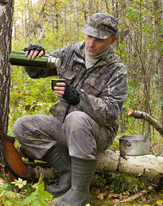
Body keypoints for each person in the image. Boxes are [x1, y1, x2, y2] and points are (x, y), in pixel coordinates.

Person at [14, 13, 128, 206]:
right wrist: (34, 56)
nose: (91, 43)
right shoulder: (71, 52)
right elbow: (38, 72)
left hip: (97, 133)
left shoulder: (116, 70)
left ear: (112, 40)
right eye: (88, 36)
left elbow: (111, 112)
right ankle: (67, 171)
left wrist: (78, 97)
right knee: (23, 126)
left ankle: (79, 193)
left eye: (99, 39)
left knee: (77, 118)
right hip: (65, 126)